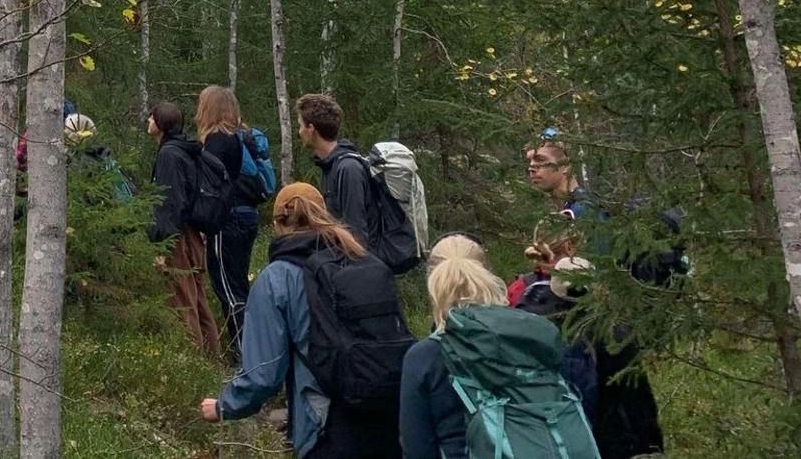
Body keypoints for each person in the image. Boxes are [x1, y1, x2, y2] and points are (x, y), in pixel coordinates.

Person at [200, 183, 403, 459]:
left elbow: (264, 374)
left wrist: (224, 406)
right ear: (325, 214)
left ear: (276, 224)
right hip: (389, 416)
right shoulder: (363, 260)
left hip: (326, 427)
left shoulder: (278, 278)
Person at [512, 133, 666, 458]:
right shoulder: (569, 210)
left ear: (565, 166)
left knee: (613, 424)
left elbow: (596, 278)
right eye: (529, 163)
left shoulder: (584, 212)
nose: (532, 169)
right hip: (594, 336)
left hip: (604, 337)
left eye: (541, 162)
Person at [401, 233, 600, 459]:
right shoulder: (529, 333)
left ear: (432, 281)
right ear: (486, 272)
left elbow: (416, 449)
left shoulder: (425, 357)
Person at [146, 102, 221, 357]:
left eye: (152, 117)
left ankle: (191, 364)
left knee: (182, 303)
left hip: (178, 238)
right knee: (198, 300)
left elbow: (170, 203)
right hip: (193, 235)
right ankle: (212, 359)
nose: (148, 120)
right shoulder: (186, 150)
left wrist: (161, 244)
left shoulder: (169, 154)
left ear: (161, 124)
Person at [195, 85, 258, 364]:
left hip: (225, 220)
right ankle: (251, 353)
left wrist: (205, 223)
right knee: (239, 285)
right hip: (245, 217)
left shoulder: (216, 141)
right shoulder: (237, 138)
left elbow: (212, 187)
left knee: (229, 289)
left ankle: (246, 358)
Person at [297, 93, 375, 246]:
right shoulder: (330, 166)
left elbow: (356, 232)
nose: (299, 131)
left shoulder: (348, 169)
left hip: (358, 264)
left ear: (311, 129)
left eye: (300, 125)